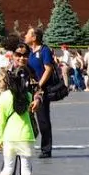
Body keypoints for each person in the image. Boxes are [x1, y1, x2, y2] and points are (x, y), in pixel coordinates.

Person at [24, 26, 54, 158]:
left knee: (42, 119)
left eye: (27, 34)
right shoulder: (30, 52)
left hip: (41, 89)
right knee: (27, 117)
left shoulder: (44, 50)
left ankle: (46, 149)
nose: (25, 36)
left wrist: (39, 84)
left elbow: (48, 69)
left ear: (34, 37)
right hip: (29, 88)